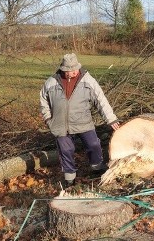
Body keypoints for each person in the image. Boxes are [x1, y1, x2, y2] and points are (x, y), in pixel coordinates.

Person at [40, 53, 120, 186]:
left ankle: (96, 167)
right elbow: (43, 101)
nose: (71, 73)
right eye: (68, 71)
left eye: (74, 70)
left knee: (94, 144)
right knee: (66, 150)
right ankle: (70, 179)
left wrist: (111, 119)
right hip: (60, 125)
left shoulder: (87, 80)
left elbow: (101, 100)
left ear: (78, 68)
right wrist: (48, 119)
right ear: (62, 69)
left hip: (83, 122)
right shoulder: (51, 82)